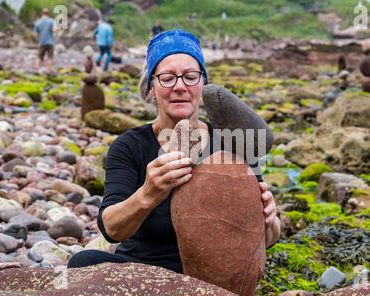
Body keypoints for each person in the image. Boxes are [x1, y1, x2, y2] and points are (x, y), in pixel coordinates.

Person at [68, 29, 281, 273]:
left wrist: (269, 220)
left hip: (209, 277)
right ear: (151, 87)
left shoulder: (232, 141)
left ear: (203, 83)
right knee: (82, 264)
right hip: (142, 272)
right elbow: (111, 230)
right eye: (167, 78)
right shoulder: (130, 145)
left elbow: (269, 239)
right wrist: (147, 194)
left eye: (190, 76)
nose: (180, 86)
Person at [34, 8, 55, 75]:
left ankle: (36, 70)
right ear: (48, 14)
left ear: (42, 13)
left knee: (39, 57)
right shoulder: (51, 21)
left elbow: (35, 33)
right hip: (50, 42)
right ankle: (48, 71)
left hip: (41, 42)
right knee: (49, 57)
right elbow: (54, 30)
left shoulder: (37, 22)